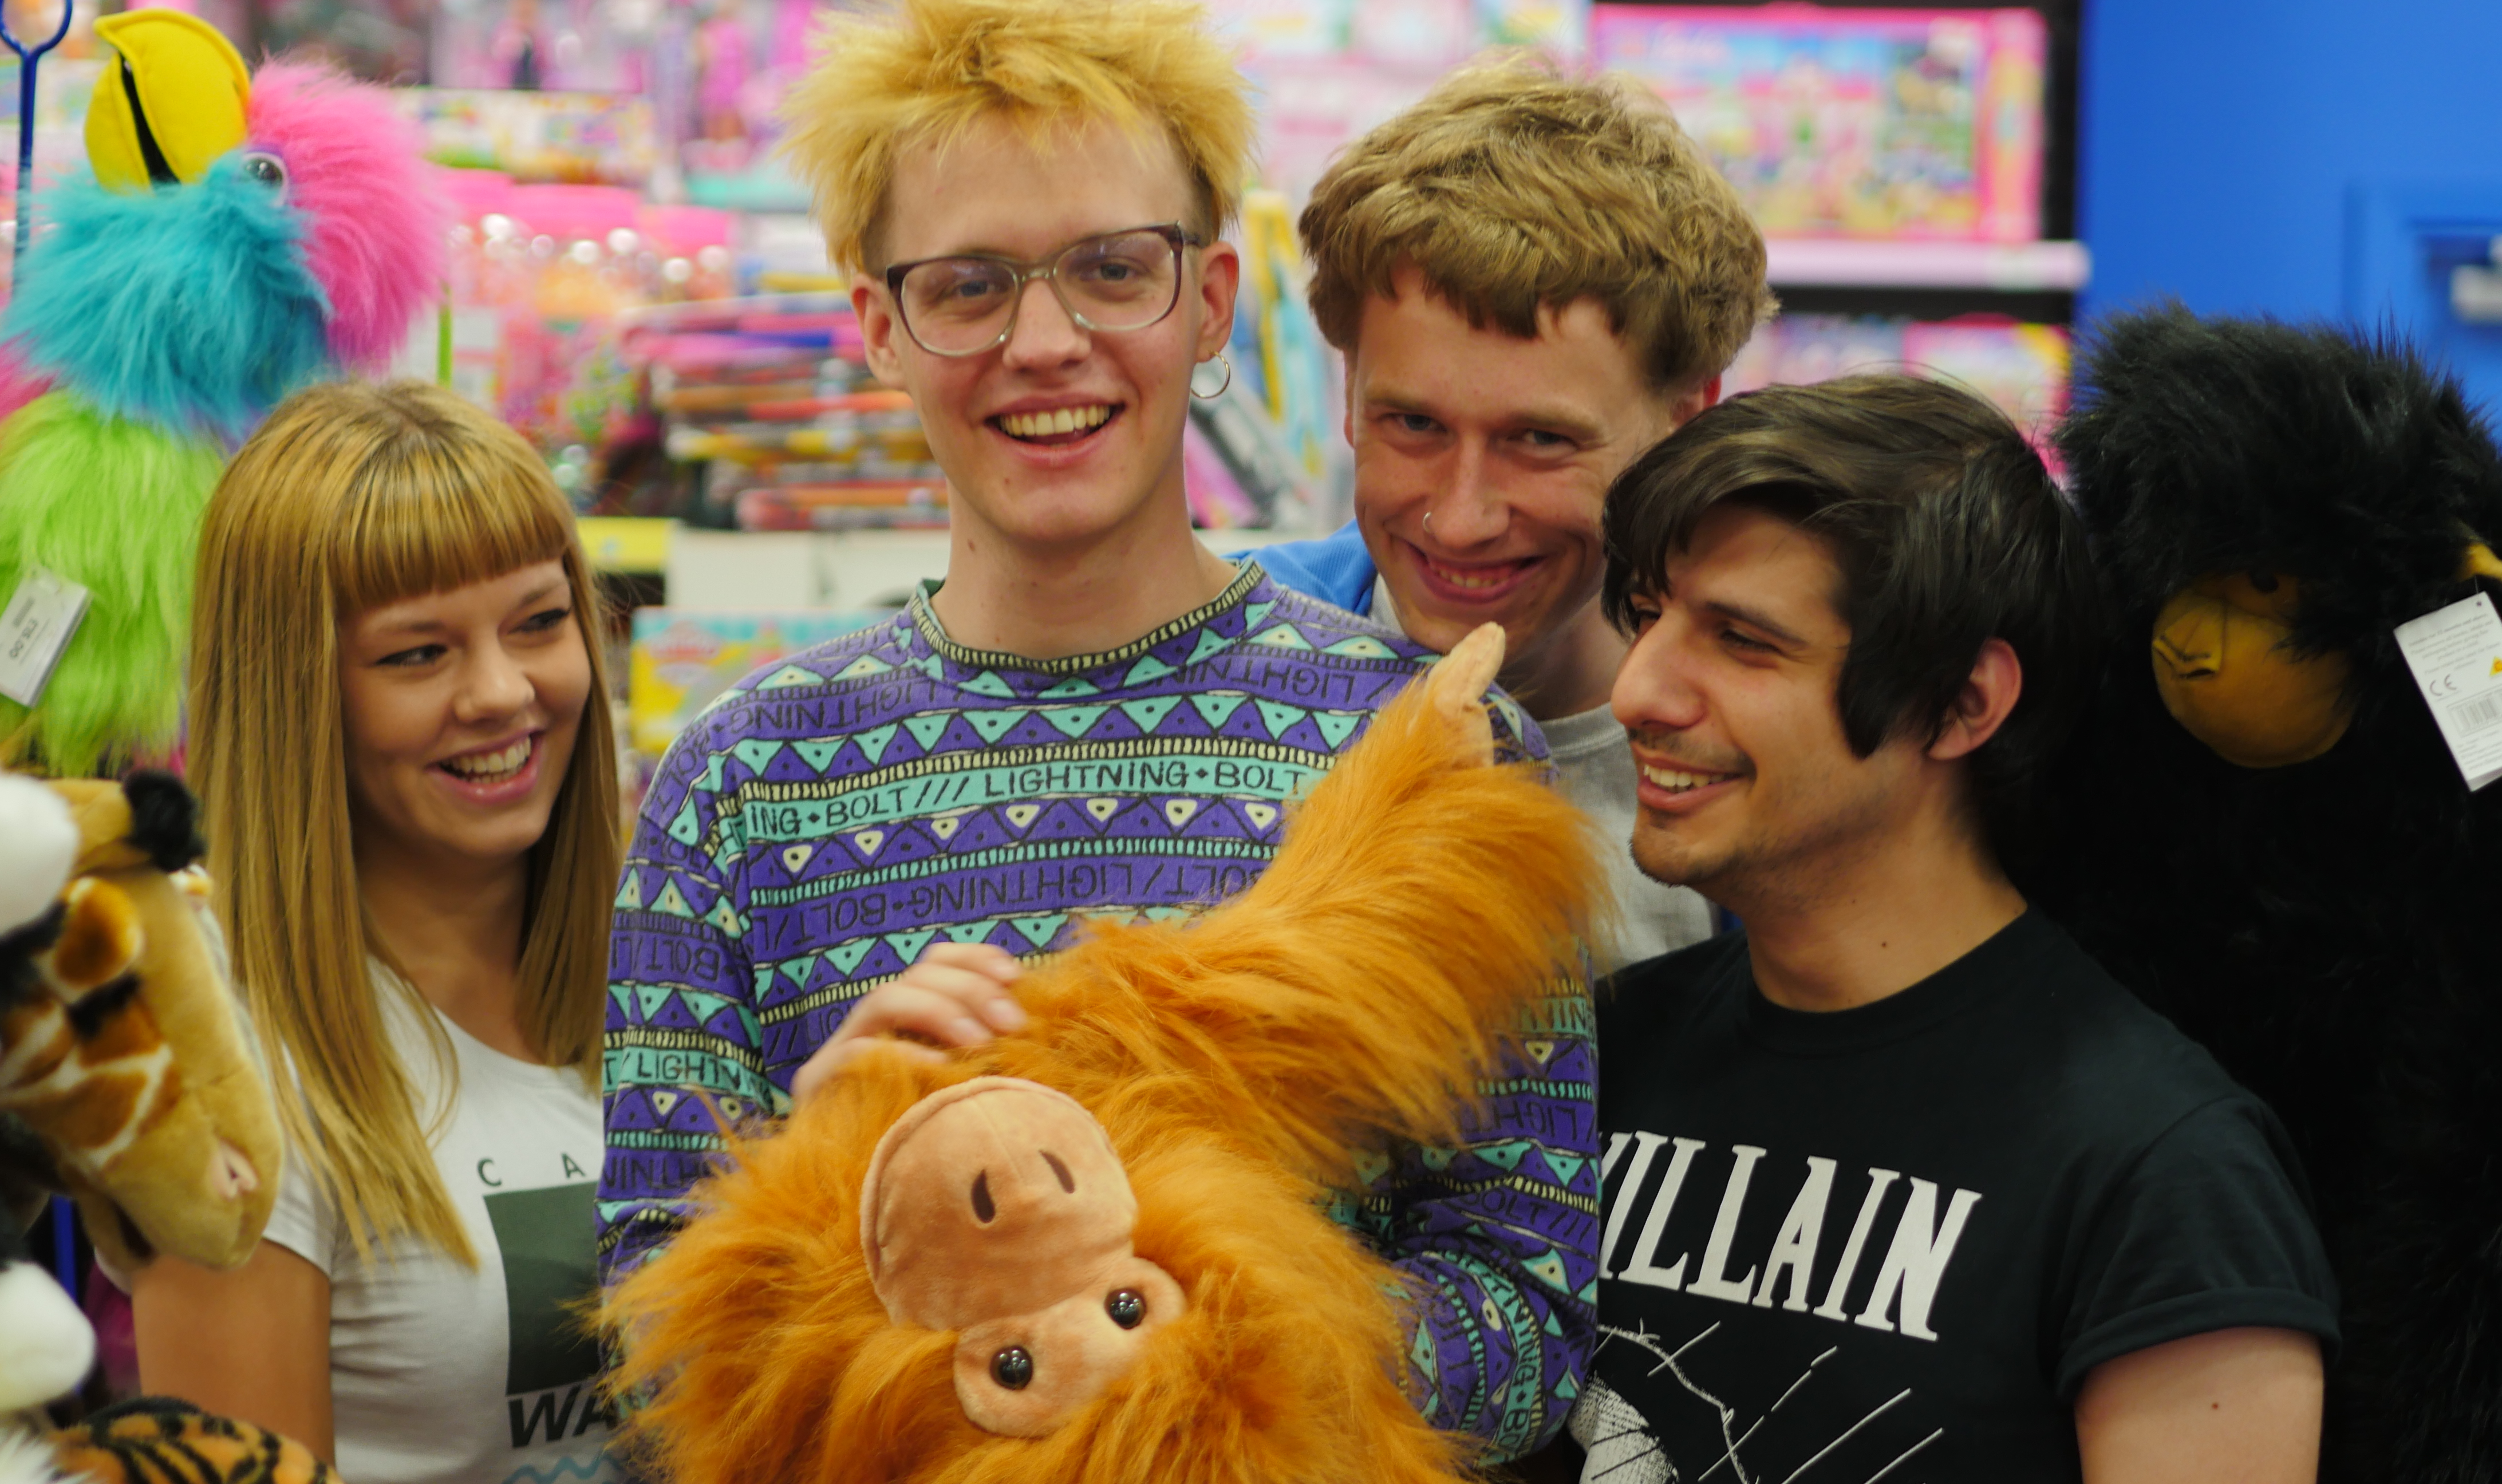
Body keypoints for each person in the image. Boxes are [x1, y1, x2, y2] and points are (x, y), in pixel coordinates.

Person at [598, 0, 1595, 1457]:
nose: (1046, 344)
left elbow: (1530, 1312)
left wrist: (1168, 1347)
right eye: (968, 288)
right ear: (880, 327)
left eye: (1113, 271)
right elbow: (656, 1376)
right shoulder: (740, 782)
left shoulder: (1431, 748)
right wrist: (820, 1176)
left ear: (1210, 299)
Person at [1566, 378, 2338, 1483]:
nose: (1638, 691)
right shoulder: (1599, 1050)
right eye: (1647, 616)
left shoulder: (2162, 1170)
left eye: (1741, 641)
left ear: (1963, 703)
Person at [128, 380, 621, 1484]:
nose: (502, 692)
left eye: (539, 623)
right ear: (298, 693)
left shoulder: (672, 968)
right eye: (417, 654)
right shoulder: (220, 1064)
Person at [1252, 62, 1771, 973]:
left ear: (1684, 423)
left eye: (1539, 440)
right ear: (1350, 391)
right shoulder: (1217, 661)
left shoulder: (1772, 746)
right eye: (1414, 424)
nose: (1460, 521)